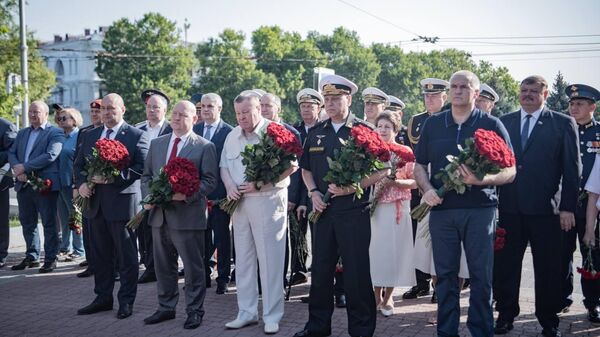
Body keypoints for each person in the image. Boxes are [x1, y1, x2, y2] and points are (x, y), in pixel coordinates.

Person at [415, 70, 516, 337]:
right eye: (454, 86)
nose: (458, 90)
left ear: (476, 92)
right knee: (445, 277)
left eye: (464, 86)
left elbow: (511, 171)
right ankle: (447, 332)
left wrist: (482, 179)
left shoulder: (492, 124)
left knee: (481, 277)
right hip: (442, 211)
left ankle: (480, 330)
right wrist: (426, 190)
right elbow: (419, 165)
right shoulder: (433, 124)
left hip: (480, 210)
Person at [294, 74, 388, 337]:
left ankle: (361, 329)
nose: (331, 103)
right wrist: (313, 192)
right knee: (321, 272)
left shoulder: (363, 132)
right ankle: (317, 327)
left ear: (349, 99)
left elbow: (383, 168)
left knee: (356, 273)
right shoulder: (316, 132)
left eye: (336, 98)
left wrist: (352, 186)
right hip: (323, 212)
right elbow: (305, 169)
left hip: (354, 212)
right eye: (327, 98)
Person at [494, 75, 580, 337]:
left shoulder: (563, 123)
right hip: (509, 208)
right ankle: (505, 315)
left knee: (548, 268)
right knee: (506, 266)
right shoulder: (504, 122)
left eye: (533, 91)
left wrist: (567, 208)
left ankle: (548, 320)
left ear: (545, 94)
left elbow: (572, 170)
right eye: (523, 90)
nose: (527, 94)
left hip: (547, 211)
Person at [221, 93, 297, 334]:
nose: (241, 117)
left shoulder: (275, 132)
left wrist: (262, 183)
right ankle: (247, 312)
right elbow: (224, 166)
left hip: (268, 201)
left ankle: (272, 315)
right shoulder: (232, 135)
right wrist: (230, 187)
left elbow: (292, 166)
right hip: (240, 205)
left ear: (258, 109)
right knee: (242, 261)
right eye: (238, 114)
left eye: (246, 112)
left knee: (270, 261)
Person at [142, 100, 218, 329]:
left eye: (182, 115)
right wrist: (151, 196)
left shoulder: (204, 146)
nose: (176, 118)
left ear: (194, 119)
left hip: (187, 217)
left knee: (194, 268)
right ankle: (166, 308)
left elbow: (210, 181)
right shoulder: (157, 144)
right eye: (174, 114)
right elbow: (146, 177)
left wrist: (186, 195)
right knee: (164, 266)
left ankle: (194, 311)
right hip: (159, 216)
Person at [75, 93, 149, 320]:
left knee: (126, 258)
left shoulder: (137, 135)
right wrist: (81, 185)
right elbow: (78, 165)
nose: (107, 112)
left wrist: (114, 178)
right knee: (100, 256)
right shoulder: (89, 135)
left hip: (122, 205)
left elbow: (141, 167)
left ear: (123, 109)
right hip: (95, 205)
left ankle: (126, 301)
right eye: (104, 108)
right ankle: (103, 297)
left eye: (111, 108)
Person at [404, 78, 449, 302]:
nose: (429, 99)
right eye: (426, 96)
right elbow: (416, 156)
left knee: (441, 240)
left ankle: (440, 284)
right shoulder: (416, 121)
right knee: (420, 239)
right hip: (420, 187)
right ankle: (423, 283)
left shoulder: (452, 118)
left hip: (446, 186)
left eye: (434, 96)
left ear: (444, 97)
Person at [369, 111, 417, 317]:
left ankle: (389, 298)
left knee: (395, 253)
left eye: (387, 126)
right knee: (376, 253)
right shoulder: (369, 151)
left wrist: (395, 181)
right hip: (375, 208)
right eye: (379, 126)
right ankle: (375, 296)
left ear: (395, 129)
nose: (382, 130)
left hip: (398, 208)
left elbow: (415, 181)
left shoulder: (404, 152)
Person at [9, 101, 65, 273]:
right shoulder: (23, 133)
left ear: (46, 113)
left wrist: (25, 167)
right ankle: (32, 256)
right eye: (31, 111)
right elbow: (12, 152)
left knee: (48, 223)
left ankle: (50, 258)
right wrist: (18, 168)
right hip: (23, 184)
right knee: (27, 222)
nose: (33, 115)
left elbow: (51, 155)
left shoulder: (55, 132)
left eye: (37, 112)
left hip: (44, 186)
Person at [560, 84, 600, 322]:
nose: (574, 107)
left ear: (592, 107)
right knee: (561, 253)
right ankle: (562, 299)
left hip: (592, 206)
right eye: (571, 104)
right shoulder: (562, 130)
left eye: (580, 104)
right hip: (565, 203)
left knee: (592, 255)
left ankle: (592, 303)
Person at [259, 93, 303, 289]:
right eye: (261, 105)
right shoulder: (256, 130)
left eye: (268, 105)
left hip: (282, 195)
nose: (264, 109)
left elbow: (297, 169)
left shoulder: (291, 132)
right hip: (258, 194)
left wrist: (293, 197)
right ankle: (261, 278)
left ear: (278, 109)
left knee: (279, 238)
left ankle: (280, 277)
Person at [192, 93, 234, 294]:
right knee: (201, 236)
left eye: (210, 106)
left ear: (220, 109)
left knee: (222, 237)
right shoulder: (196, 129)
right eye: (203, 106)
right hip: (198, 194)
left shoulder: (230, 132)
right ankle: (204, 275)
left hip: (221, 195)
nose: (206, 110)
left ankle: (223, 277)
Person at [135, 89, 173, 284]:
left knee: (164, 230)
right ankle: (149, 266)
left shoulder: (171, 128)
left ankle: (166, 267)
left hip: (166, 187)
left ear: (164, 110)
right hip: (142, 185)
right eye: (148, 107)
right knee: (144, 229)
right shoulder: (137, 129)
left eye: (156, 107)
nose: (151, 110)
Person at [75, 99, 103, 278]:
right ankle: (92, 262)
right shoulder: (85, 132)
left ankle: (106, 264)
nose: (94, 115)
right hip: (86, 186)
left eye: (97, 111)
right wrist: (77, 185)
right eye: (92, 112)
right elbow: (78, 160)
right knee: (88, 226)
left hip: (103, 185)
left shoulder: (110, 132)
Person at [56, 108, 85, 262]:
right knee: (63, 216)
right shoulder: (60, 136)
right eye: (59, 119)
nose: (60, 121)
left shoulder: (79, 136)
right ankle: (64, 247)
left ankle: (79, 249)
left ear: (74, 119)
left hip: (72, 183)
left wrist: (76, 183)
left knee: (75, 216)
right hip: (59, 183)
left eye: (64, 118)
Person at [0, 117, 17, 268]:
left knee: (0, 219)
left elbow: (11, 151)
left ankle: (1, 254)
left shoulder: (6, 126)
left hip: (1, 179)